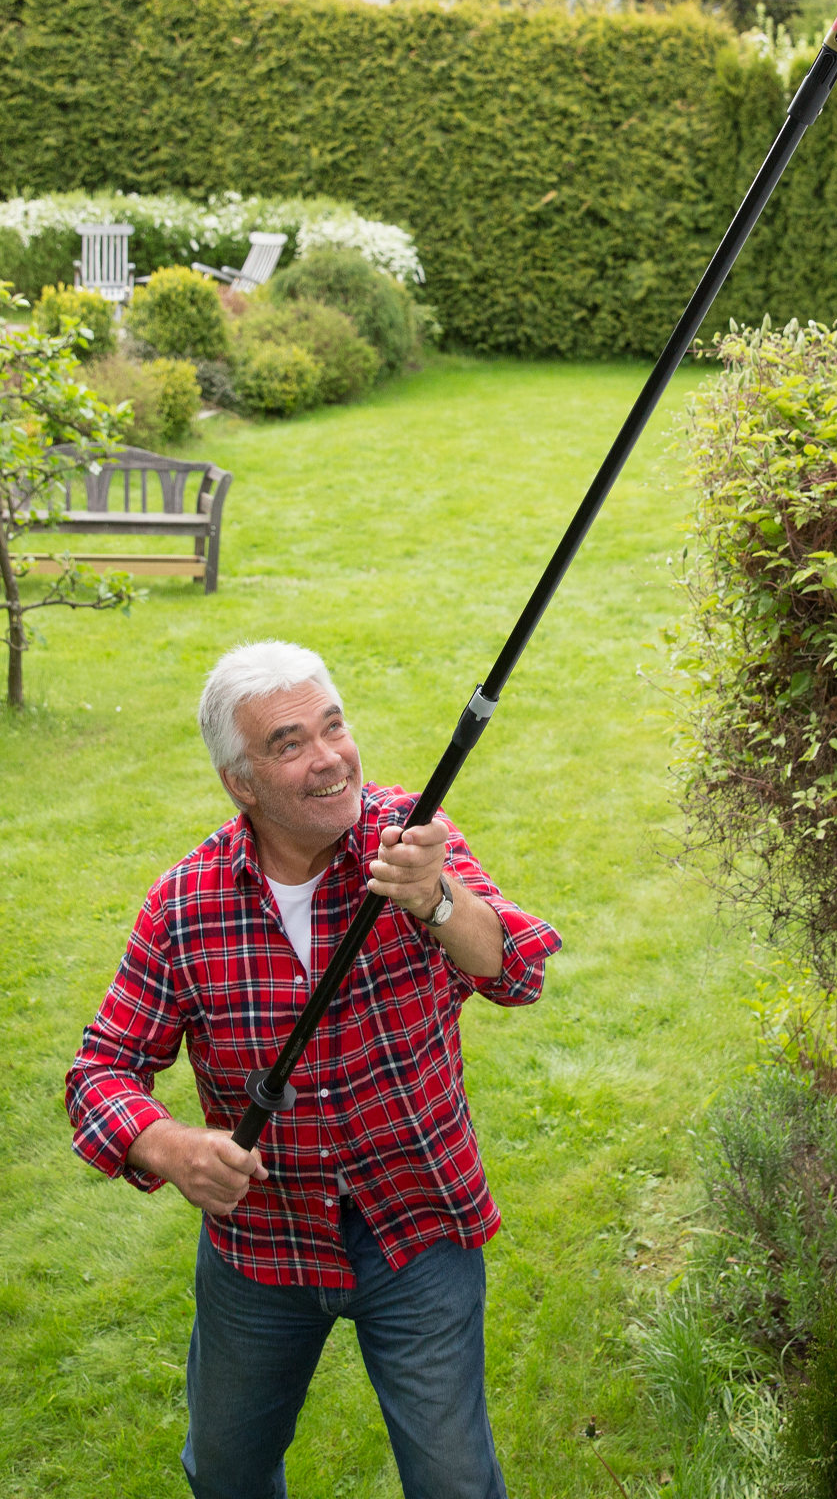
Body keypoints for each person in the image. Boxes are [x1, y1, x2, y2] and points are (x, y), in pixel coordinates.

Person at [65, 640, 560, 1499]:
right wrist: (170, 1147)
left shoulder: (409, 840)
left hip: (416, 1221)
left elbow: (515, 971)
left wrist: (436, 898)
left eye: (334, 727)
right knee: (225, 1472)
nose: (330, 758)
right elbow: (100, 1072)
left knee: (453, 1482)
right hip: (263, 1244)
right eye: (289, 743)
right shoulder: (186, 905)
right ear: (241, 783)